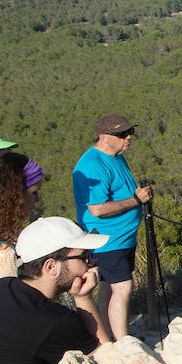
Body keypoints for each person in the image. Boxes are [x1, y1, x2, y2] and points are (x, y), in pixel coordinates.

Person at [0, 217, 111, 364]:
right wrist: (84, 298)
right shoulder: (54, 320)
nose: (91, 263)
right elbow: (110, 360)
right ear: (51, 267)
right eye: (85, 256)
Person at [72, 114, 153, 342]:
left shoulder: (116, 157)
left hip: (122, 238)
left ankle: (110, 336)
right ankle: (122, 342)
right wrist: (136, 201)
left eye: (130, 132)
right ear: (104, 137)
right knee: (123, 288)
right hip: (107, 239)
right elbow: (97, 209)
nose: (128, 138)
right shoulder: (91, 165)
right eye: (121, 134)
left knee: (109, 287)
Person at [0, 152, 43, 283]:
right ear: (15, 195)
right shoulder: (1, 254)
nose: (37, 199)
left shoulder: (1, 234)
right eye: (34, 192)